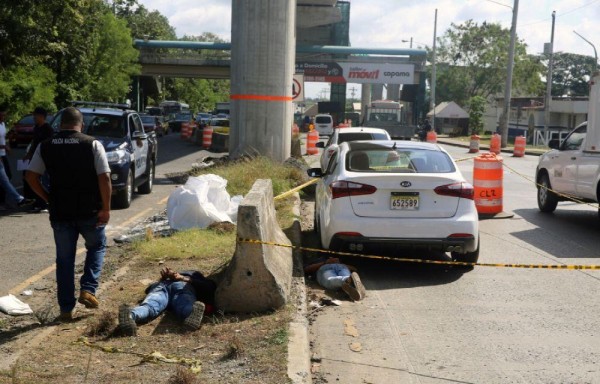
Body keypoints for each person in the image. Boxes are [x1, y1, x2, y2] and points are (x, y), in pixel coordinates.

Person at [25, 107, 112, 321]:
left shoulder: (46, 145)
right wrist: (106, 208)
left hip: (60, 212)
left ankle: (65, 309)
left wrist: (47, 198)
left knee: (64, 260)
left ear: (60, 124)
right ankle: (88, 289)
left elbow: (30, 176)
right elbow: (105, 178)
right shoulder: (92, 143)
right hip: (89, 211)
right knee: (97, 246)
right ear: (81, 125)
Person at [118, 267, 217, 336]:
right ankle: (190, 314)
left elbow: (209, 287)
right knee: (154, 304)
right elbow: (148, 290)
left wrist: (182, 278)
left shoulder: (195, 276)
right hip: (164, 285)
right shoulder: (166, 279)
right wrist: (164, 278)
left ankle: (131, 315)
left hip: (180, 285)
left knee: (151, 305)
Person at [0, 105, 34, 210]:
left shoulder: (2, 124)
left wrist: (8, 138)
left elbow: (2, 137)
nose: (4, 117)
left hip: (2, 154)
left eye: (5, 115)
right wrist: (4, 146)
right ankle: (17, 199)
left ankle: (6, 201)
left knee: (7, 177)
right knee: (4, 179)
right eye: (2, 114)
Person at [23, 106, 54, 213]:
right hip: (35, 157)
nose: (33, 117)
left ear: (41, 116)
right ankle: (36, 202)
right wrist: (28, 154)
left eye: (35, 115)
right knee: (31, 178)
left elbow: (49, 145)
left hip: (44, 159)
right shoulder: (36, 127)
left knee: (44, 181)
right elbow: (34, 142)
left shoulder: (48, 129)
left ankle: (45, 203)